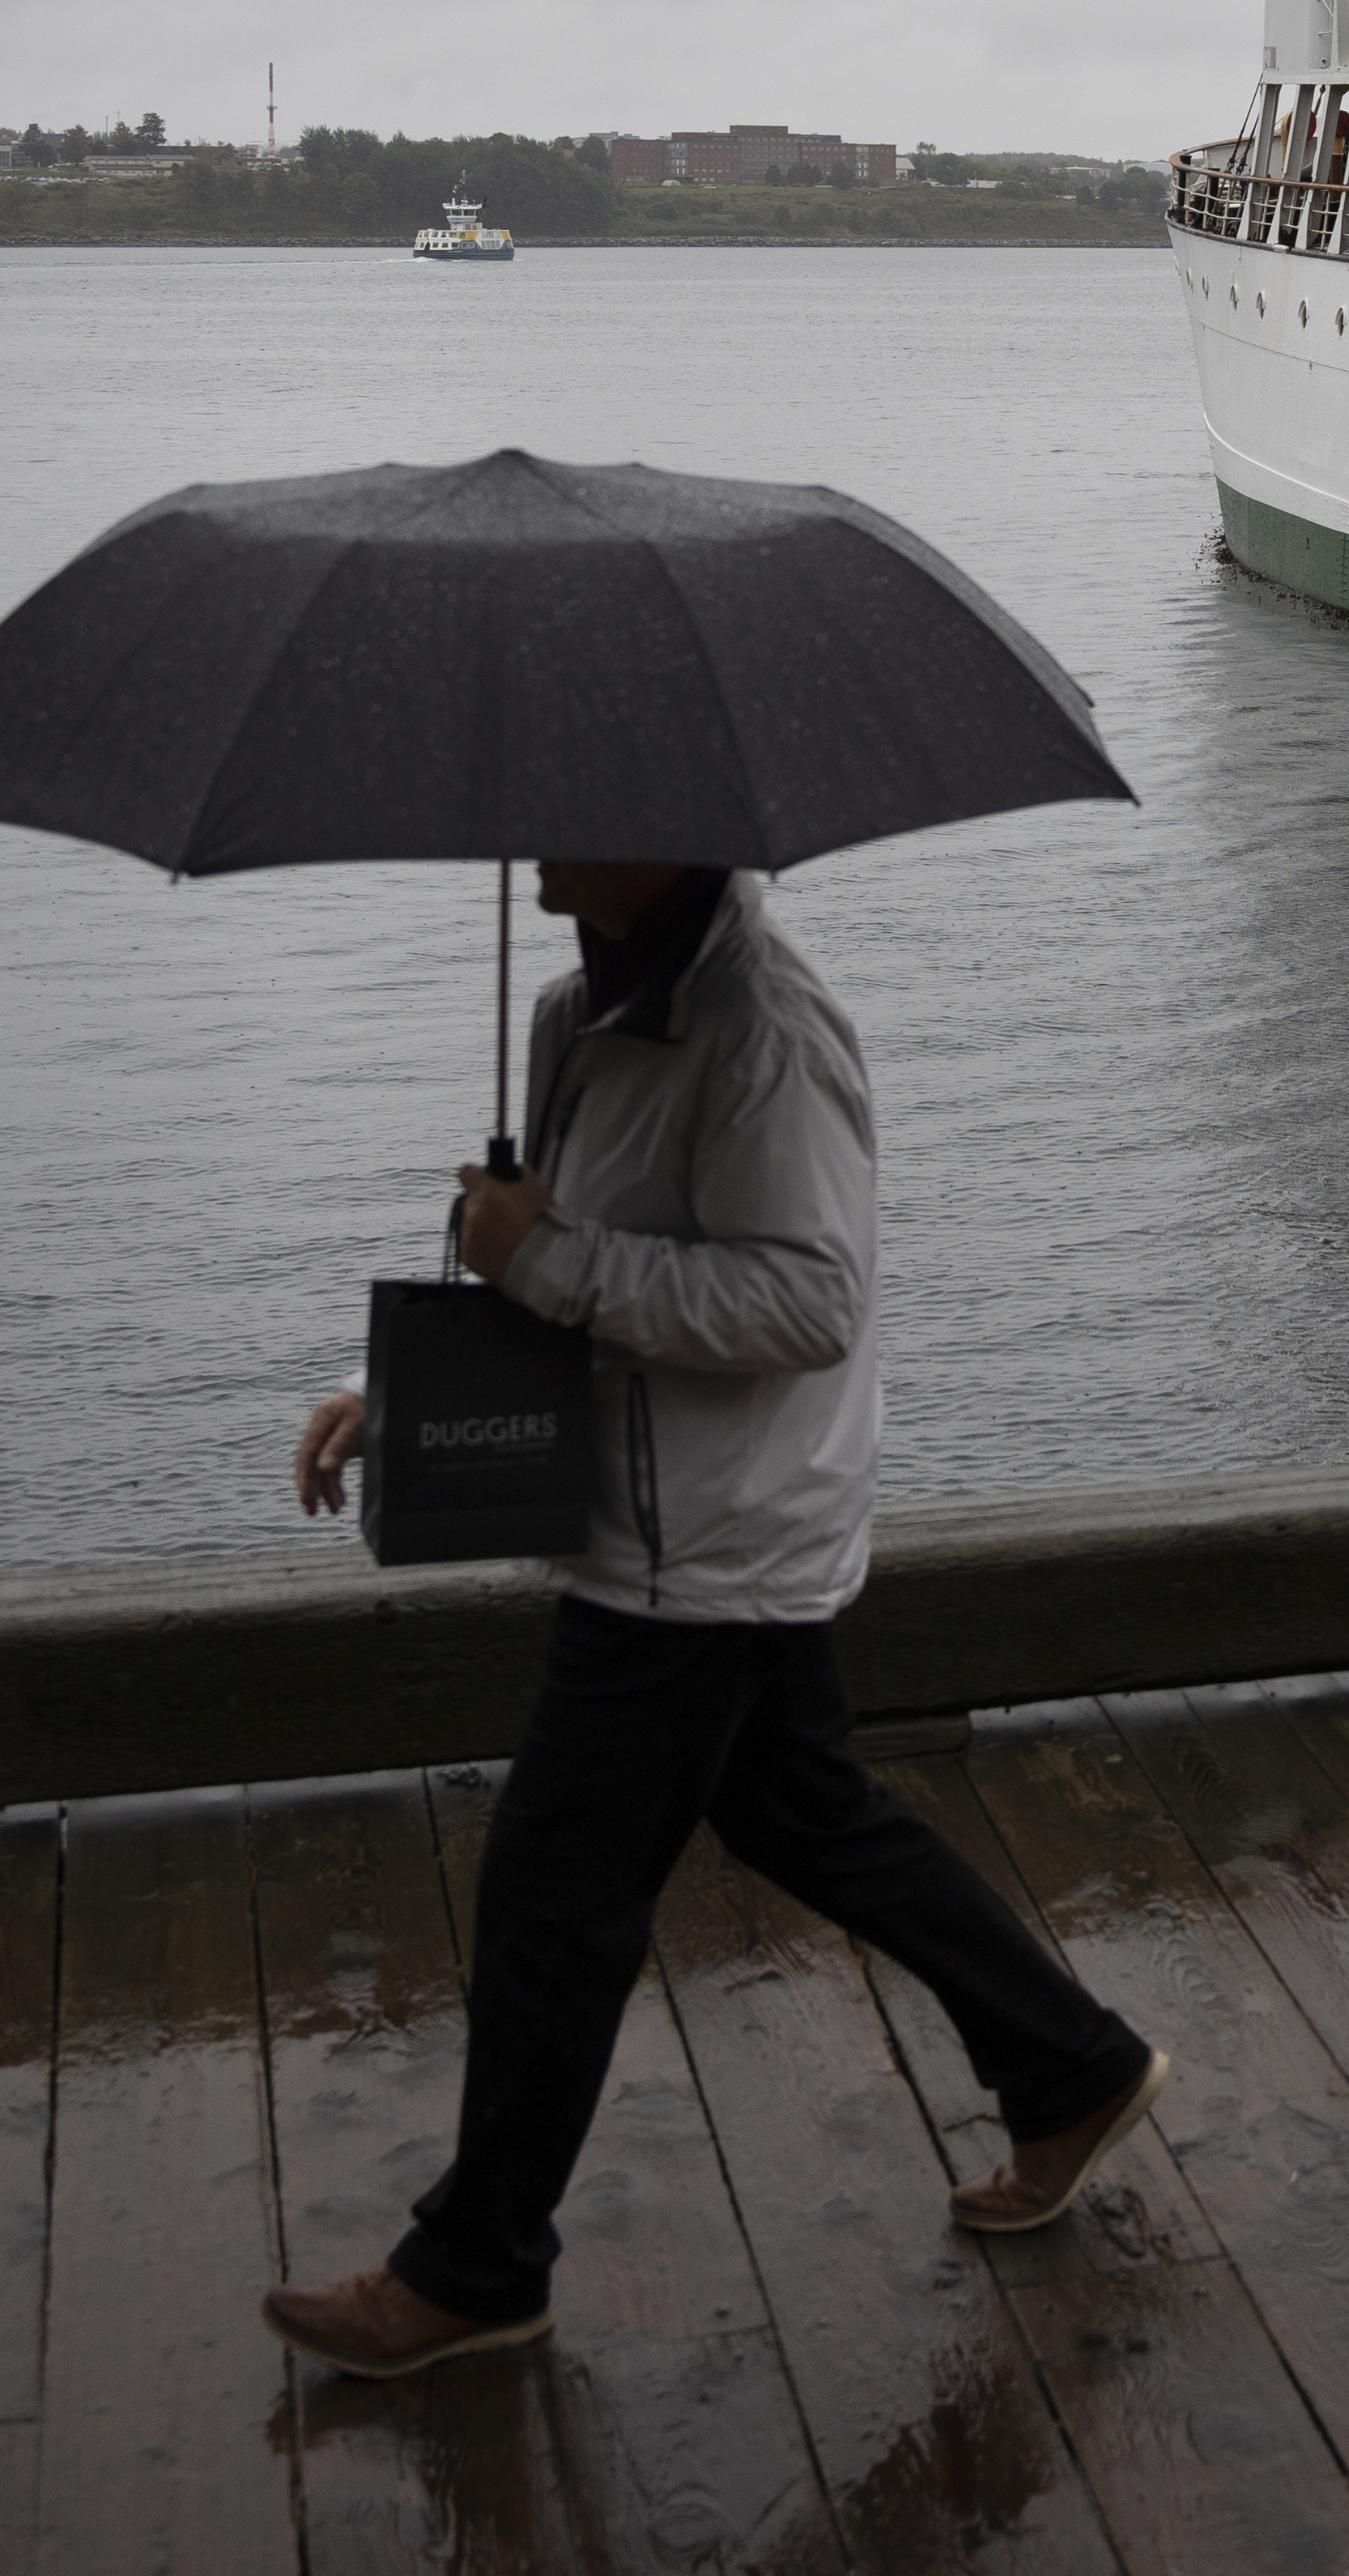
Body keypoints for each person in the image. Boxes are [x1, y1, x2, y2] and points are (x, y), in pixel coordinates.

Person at [258, 855, 1165, 2376]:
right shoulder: (573, 1014)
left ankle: (478, 2268)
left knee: (552, 1901)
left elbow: (810, 1303)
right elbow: (552, 1275)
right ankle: (1070, 2067)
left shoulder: (766, 1037)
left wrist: (545, 1254)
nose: (532, 829)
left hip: (706, 1544)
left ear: (659, 824)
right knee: (807, 1812)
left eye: (567, 798)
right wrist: (408, 1391)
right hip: (656, 1518)